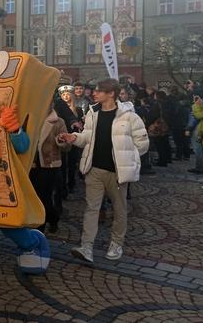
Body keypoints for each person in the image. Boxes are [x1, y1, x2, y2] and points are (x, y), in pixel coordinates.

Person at [62, 78, 149, 263]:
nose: (95, 93)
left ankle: (116, 243)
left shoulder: (130, 116)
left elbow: (142, 144)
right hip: (94, 169)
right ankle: (86, 247)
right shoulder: (93, 113)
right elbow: (87, 136)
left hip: (117, 173)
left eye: (99, 90)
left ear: (111, 93)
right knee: (91, 208)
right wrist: (74, 137)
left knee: (119, 210)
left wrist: (127, 159)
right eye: (95, 90)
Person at [30, 103, 70, 233]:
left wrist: (62, 140)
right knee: (34, 196)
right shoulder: (30, 117)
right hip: (32, 165)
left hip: (49, 166)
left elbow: (67, 146)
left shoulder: (58, 121)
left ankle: (40, 228)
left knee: (43, 197)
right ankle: (52, 218)